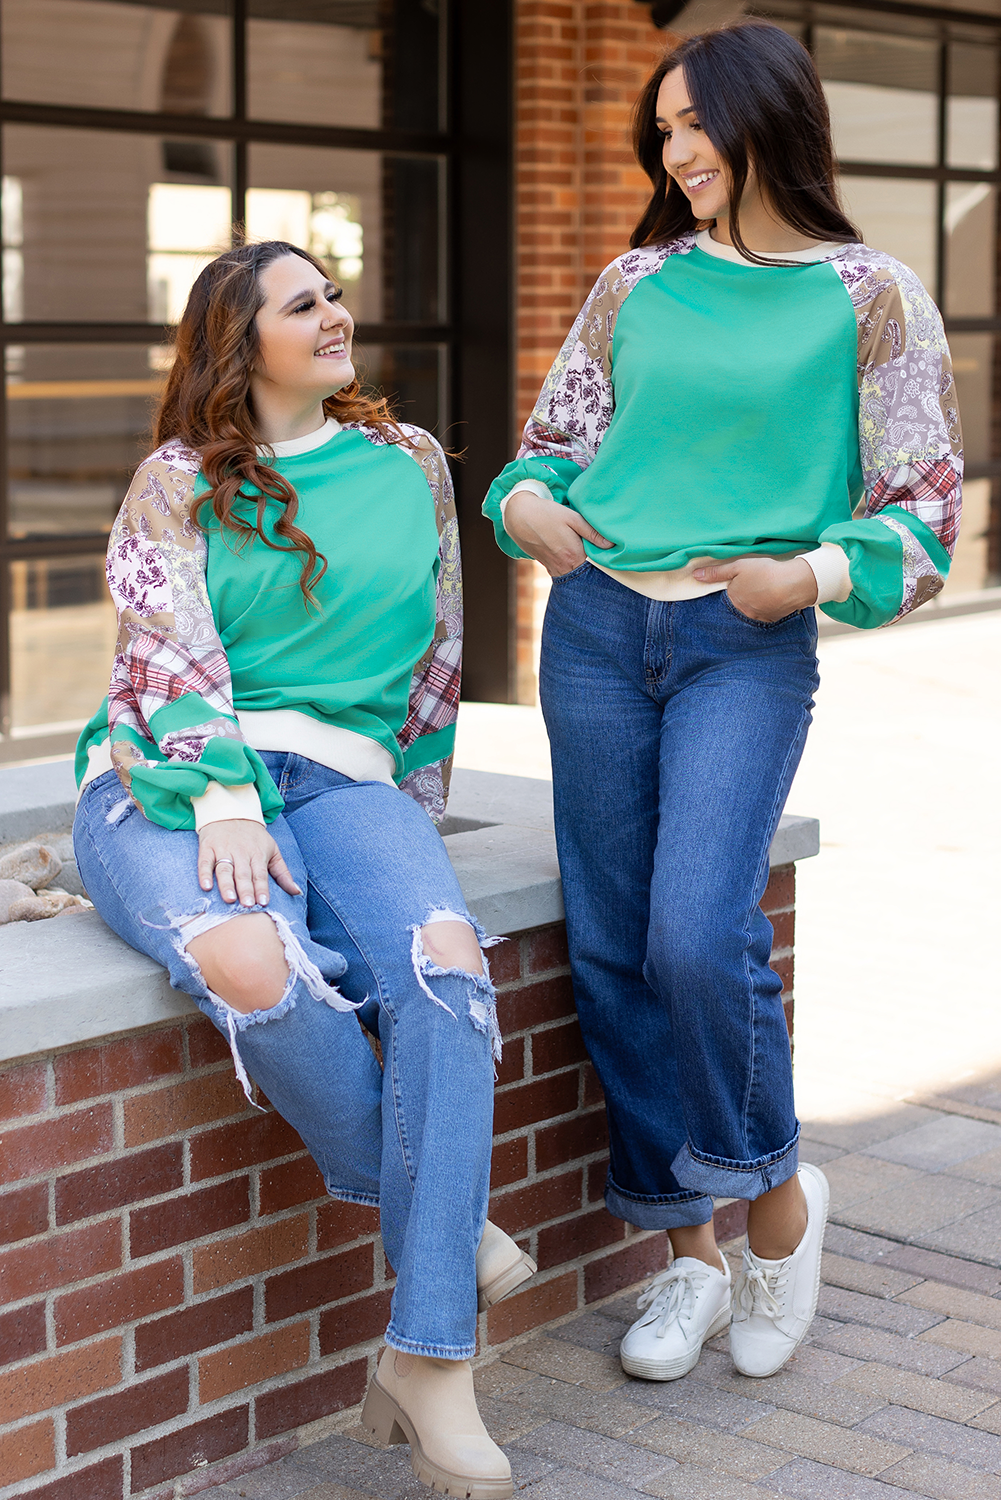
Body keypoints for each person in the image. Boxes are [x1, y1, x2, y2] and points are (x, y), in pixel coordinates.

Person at [483, 20, 961, 1385]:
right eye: (664, 129)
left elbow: (923, 507)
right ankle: (686, 1254)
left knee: (695, 932)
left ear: (768, 119)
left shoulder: (870, 295)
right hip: (594, 629)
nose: (675, 150)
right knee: (612, 947)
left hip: (740, 642)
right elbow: (550, 447)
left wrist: (804, 574)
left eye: (694, 122)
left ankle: (775, 1209)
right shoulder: (634, 282)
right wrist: (527, 508)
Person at [74, 239, 533, 1500]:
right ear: (242, 342)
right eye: (302, 304)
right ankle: (443, 1233)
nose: (336, 315)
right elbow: (159, 653)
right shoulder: (177, 482)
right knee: (252, 961)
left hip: (348, 783)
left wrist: (407, 826)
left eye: (333, 294)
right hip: (169, 779)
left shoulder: (408, 463)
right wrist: (222, 796)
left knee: (444, 971)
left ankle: (427, 1360)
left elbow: (437, 654)